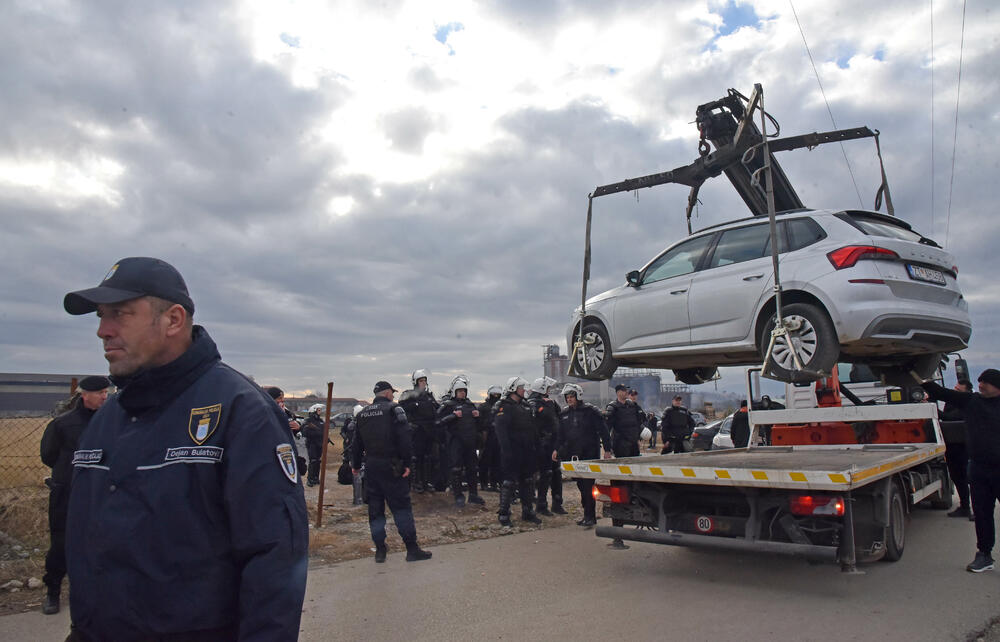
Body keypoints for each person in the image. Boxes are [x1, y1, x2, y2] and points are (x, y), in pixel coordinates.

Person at [62, 256, 307, 640]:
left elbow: (274, 559)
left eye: (120, 314)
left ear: (173, 320)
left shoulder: (240, 410)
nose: (102, 331)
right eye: (100, 316)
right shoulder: (107, 419)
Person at [38, 375, 110, 615]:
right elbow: (48, 455)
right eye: (99, 392)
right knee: (61, 544)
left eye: (106, 392)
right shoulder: (63, 424)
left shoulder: (110, 422)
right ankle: (52, 593)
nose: (104, 396)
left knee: (98, 544)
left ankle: (95, 594)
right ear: (84, 395)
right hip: (66, 493)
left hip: (99, 493)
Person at [918, 369, 1000, 573]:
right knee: (981, 513)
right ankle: (984, 555)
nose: (980, 385)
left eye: (985, 383)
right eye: (979, 381)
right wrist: (917, 374)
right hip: (979, 468)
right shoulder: (972, 401)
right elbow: (940, 392)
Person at [351, 381, 432, 563]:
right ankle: (412, 549)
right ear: (387, 393)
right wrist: (408, 463)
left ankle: (380, 550)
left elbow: (356, 443)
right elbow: (404, 439)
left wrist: (355, 464)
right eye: (392, 393)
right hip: (392, 466)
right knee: (401, 508)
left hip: (371, 467)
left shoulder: (363, 414)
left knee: (375, 509)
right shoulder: (394, 410)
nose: (394, 396)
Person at [553, 384, 612, 527]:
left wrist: (608, 450)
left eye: (571, 396)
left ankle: (590, 516)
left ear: (578, 396)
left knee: (587, 486)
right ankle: (587, 514)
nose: (569, 399)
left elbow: (604, 431)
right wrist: (556, 450)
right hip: (573, 455)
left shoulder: (591, 411)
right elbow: (560, 435)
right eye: (567, 397)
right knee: (580, 485)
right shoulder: (565, 414)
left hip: (589, 454)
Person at [494, 377, 541, 526]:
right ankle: (504, 514)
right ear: (513, 389)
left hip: (526, 451)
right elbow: (501, 431)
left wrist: (535, 447)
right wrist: (507, 451)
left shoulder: (525, 406)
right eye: (521, 387)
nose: (524, 390)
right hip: (512, 451)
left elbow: (532, 429)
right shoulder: (504, 406)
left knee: (527, 481)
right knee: (508, 483)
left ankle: (528, 511)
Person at [436, 375, 484, 508]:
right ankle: (458, 496)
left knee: (472, 469)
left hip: (470, 442)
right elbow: (437, 422)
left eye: (464, 390)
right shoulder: (448, 405)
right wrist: (452, 416)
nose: (462, 393)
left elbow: (480, 426)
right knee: (456, 469)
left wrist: (478, 417)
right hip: (456, 442)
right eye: (460, 391)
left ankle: (473, 495)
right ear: (455, 392)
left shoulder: (470, 405)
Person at [399, 369, 440, 493]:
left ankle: (426, 482)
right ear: (415, 382)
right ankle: (416, 482)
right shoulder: (409, 394)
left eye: (425, 380)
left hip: (429, 431)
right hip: (417, 431)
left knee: (429, 458)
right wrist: (415, 405)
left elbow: (437, 409)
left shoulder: (429, 396)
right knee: (416, 458)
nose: (423, 383)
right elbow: (402, 407)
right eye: (421, 380)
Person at [940, 379, 975, 520]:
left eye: (958, 390)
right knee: (957, 478)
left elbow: (950, 417)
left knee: (969, 479)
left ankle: (976, 509)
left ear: (966, 391)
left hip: (964, 446)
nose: (955, 391)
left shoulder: (967, 403)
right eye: (954, 388)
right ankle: (965, 507)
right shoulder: (951, 401)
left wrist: (931, 409)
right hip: (951, 445)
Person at [527, 377, 560, 516]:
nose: (549, 392)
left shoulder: (549, 403)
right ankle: (536, 505)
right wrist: (546, 406)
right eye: (547, 389)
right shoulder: (533, 404)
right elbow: (536, 420)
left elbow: (557, 417)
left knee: (551, 474)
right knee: (537, 475)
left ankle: (550, 504)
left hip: (550, 444)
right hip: (539, 444)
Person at [266, 386, 306, 475]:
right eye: (279, 398)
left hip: (288, 451)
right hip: (273, 453)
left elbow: (296, 424)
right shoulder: (266, 412)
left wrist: (298, 426)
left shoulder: (286, 412)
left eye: (282, 398)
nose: (282, 401)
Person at [605, 384, 644, 457]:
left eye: (626, 390)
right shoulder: (613, 407)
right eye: (624, 390)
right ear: (618, 393)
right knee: (623, 467)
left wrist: (638, 438)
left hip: (634, 444)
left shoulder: (632, 405)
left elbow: (637, 423)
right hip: (620, 444)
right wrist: (607, 448)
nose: (626, 392)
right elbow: (607, 428)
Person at [478, 385, 503, 492]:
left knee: (497, 461)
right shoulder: (483, 407)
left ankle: (494, 483)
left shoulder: (502, 407)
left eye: (498, 395)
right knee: (485, 460)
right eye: (494, 394)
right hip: (486, 436)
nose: (496, 396)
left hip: (499, 436)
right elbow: (478, 422)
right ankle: (483, 483)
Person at [301, 403, 326, 486]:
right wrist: (316, 433)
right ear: (314, 410)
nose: (320, 411)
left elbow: (323, 431)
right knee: (313, 461)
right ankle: (310, 479)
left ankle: (316, 477)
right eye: (318, 410)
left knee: (318, 461)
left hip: (320, 443)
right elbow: (304, 432)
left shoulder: (321, 421)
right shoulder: (308, 421)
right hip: (312, 444)